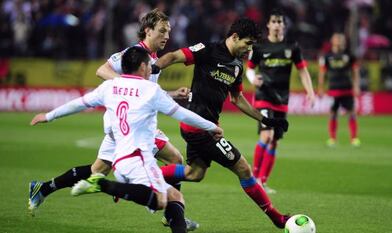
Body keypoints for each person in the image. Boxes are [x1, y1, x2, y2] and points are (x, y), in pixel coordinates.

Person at [28, 9, 199, 230]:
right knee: (175, 159)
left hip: (123, 125)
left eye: (168, 31)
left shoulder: (152, 59)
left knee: (97, 170)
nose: (166, 36)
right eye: (162, 31)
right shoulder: (133, 53)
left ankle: (42, 188)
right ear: (148, 31)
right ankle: (172, 213)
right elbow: (102, 70)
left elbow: (147, 91)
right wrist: (124, 85)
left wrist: (174, 94)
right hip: (130, 126)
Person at [153, 18, 290, 229]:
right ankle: (277, 218)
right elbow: (173, 56)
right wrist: (152, 69)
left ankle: (143, 175)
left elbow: (237, 99)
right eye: (247, 43)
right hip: (199, 127)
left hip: (207, 128)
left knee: (194, 174)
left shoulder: (236, 66)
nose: (249, 49)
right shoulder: (207, 50)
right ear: (234, 37)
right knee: (244, 169)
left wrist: (266, 119)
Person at [245, 9, 315, 194]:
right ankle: (254, 178)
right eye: (273, 21)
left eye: (279, 21)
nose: (276, 24)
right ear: (268, 24)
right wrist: (253, 79)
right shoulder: (259, 47)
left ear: (283, 25)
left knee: (274, 141)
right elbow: (250, 69)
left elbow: (302, 71)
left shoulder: (292, 47)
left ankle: (263, 181)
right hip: (263, 97)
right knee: (266, 136)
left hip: (282, 99)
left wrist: (310, 91)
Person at [318, 32, 361, 147]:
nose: (340, 41)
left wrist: (356, 86)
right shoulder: (327, 56)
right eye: (337, 39)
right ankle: (332, 138)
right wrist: (321, 88)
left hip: (347, 88)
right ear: (332, 41)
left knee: (352, 113)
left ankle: (354, 138)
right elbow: (322, 73)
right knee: (333, 113)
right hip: (333, 89)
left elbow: (355, 72)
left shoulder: (350, 55)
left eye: (341, 39)